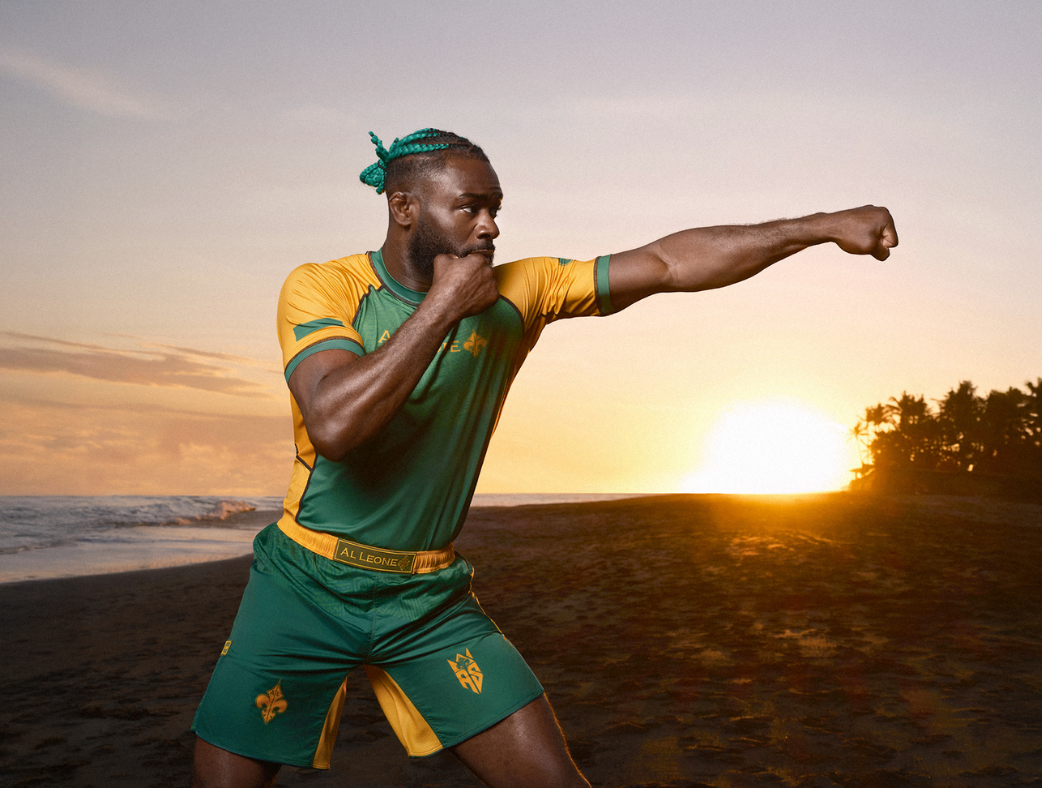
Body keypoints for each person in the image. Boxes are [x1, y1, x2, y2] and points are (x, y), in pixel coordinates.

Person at [190, 128, 897, 788]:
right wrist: (442, 306)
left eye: (495, 209)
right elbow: (335, 424)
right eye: (469, 208)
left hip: (426, 598)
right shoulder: (323, 287)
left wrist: (821, 226)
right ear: (404, 208)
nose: (490, 227)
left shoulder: (520, 290)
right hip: (304, 585)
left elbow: (667, 263)